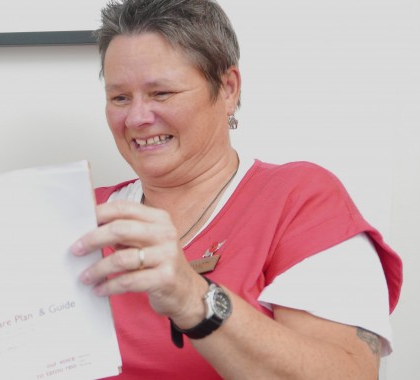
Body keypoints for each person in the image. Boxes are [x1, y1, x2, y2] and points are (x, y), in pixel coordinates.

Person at [69, 0, 403, 378]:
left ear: (227, 88)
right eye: (120, 98)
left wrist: (193, 298)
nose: (137, 117)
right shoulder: (79, 215)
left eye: (161, 93)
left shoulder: (299, 201)